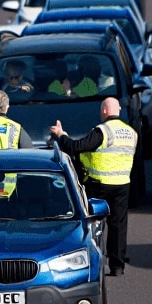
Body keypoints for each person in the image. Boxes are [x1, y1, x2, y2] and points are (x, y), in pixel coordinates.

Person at [49, 97, 137, 276]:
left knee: (92, 222)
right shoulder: (131, 132)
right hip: (122, 184)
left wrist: (61, 134)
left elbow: (76, 147)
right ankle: (117, 265)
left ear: (104, 111)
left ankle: (90, 260)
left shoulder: (102, 131)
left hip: (99, 185)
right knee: (118, 224)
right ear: (118, 110)